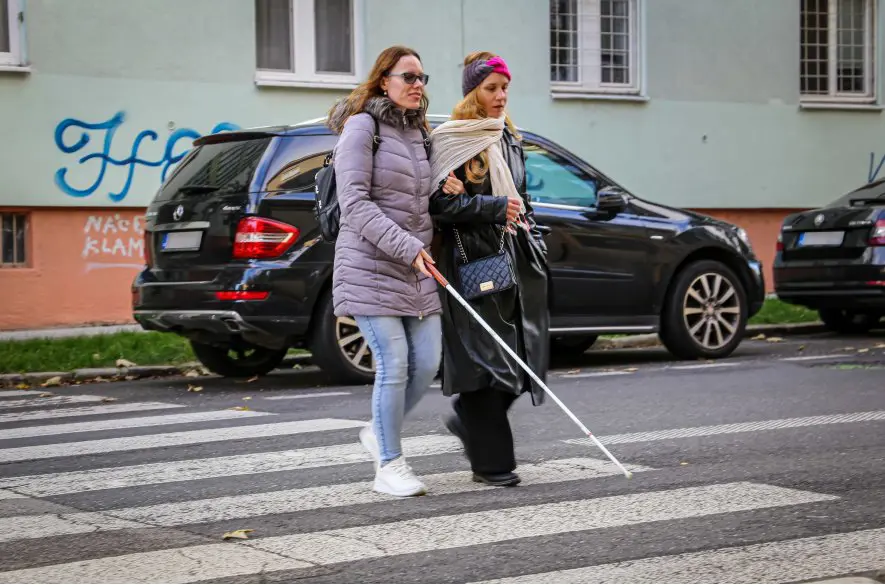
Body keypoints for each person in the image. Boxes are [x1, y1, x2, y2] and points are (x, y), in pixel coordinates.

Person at [428, 52, 550, 487]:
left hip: (513, 257)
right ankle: (493, 464)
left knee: (520, 364)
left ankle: (467, 421)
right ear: (472, 92)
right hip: (470, 262)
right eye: (491, 88)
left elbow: (521, 198)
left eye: (505, 88)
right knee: (487, 363)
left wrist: (529, 226)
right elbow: (440, 206)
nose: (500, 97)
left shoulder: (507, 136)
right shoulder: (455, 139)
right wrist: (496, 207)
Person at [327, 46, 441, 497]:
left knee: (428, 361)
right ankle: (389, 465)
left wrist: (444, 185)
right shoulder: (362, 127)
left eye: (422, 77)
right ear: (383, 81)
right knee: (393, 364)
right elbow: (354, 203)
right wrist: (407, 246)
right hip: (370, 264)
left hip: (416, 266)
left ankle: (378, 431)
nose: (417, 85)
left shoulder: (419, 134)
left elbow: (418, 198)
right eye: (408, 77)